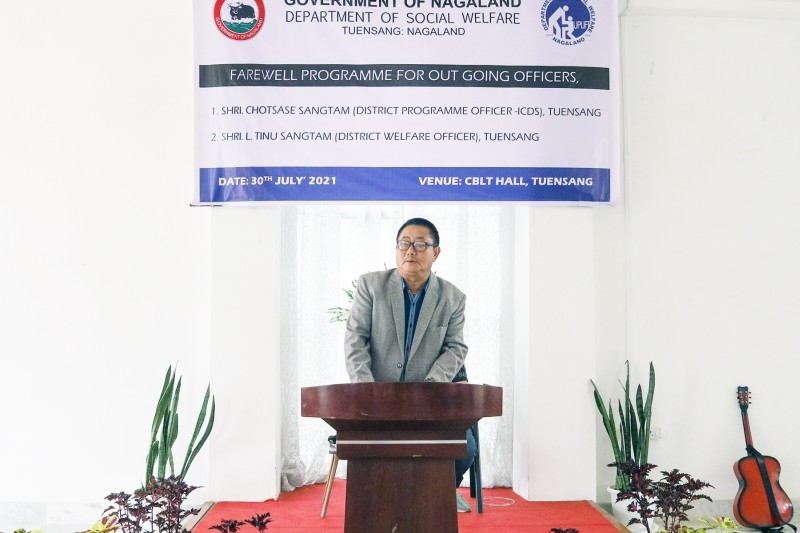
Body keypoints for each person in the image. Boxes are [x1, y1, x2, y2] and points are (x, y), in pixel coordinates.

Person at [344, 217, 476, 512]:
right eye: (404, 243)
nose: (410, 251)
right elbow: (355, 341)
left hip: (429, 400)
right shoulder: (371, 286)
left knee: (465, 447)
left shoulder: (452, 298)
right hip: (376, 399)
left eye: (420, 244)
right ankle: (388, 500)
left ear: (436, 252)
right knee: (372, 448)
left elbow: (456, 348)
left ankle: (441, 489)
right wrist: (368, 391)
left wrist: (430, 387)